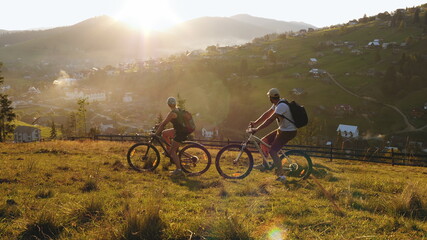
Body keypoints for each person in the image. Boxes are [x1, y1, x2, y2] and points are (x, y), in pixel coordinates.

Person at [248, 88, 297, 182]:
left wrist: (257, 129)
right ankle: (264, 165)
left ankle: (282, 176)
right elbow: (267, 114)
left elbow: (270, 120)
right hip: (282, 129)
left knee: (273, 152)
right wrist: (255, 123)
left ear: (271, 98)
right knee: (264, 141)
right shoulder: (277, 104)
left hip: (288, 132)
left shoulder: (281, 106)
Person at [154, 97, 190, 176]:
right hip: (180, 130)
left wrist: (156, 134)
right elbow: (164, 122)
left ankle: (179, 170)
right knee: (164, 133)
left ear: (168, 105)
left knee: (173, 152)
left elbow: (164, 124)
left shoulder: (172, 113)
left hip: (180, 133)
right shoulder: (178, 110)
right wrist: (159, 125)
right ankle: (168, 151)